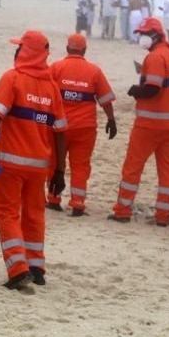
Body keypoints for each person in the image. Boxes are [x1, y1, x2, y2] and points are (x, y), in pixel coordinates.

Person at [0, 30, 67, 290]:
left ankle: (17, 268)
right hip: (39, 166)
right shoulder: (51, 87)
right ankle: (36, 266)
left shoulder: (12, 78)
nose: (16, 52)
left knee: (7, 213)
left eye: (19, 48)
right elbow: (60, 132)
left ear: (26, 52)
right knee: (34, 214)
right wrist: (59, 170)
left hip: (11, 164)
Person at [109, 18, 169, 227]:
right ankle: (163, 215)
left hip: (150, 124)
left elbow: (153, 89)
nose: (141, 37)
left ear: (155, 35)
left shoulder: (155, 57)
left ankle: (122, 210)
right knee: (167, 170)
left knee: (133, 167)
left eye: (144, 33)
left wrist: (135, 90)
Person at [47, 34, 117, 215]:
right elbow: (106, 100)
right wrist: (111, 119)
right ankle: (77, 203)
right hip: (85, 128)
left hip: (58, 127)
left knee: (55, 162)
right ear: (84, 50)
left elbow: (46, 95)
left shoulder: (56, 68)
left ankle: (54, 199)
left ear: (67, 48)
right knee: (81, 165)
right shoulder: (94, 71)